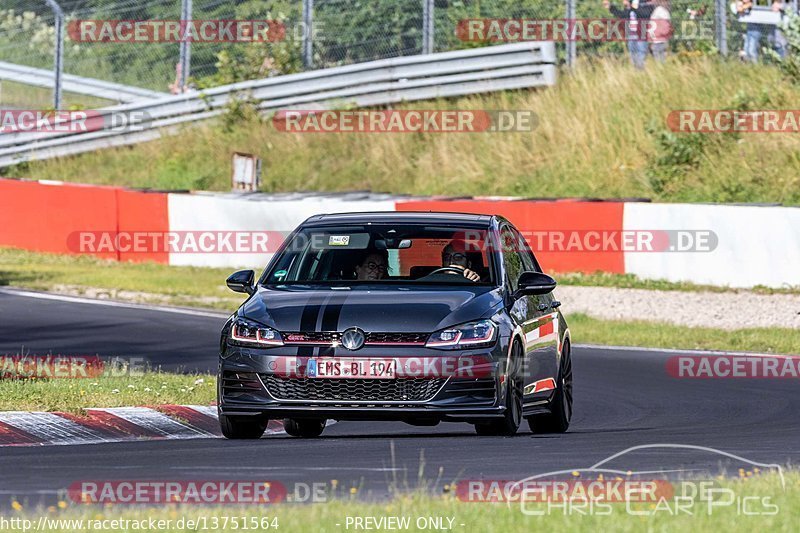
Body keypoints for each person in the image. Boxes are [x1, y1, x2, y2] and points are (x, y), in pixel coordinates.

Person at [603, 0, 657, 69]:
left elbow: (646, 14)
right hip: (631, 35)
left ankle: (640, 72)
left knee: (641, 55)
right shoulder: (631, 7)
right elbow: (623, 15)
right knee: (633, 55)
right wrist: (611, 8)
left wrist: (633, 6)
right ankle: (636, 73)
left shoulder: (645, 3)